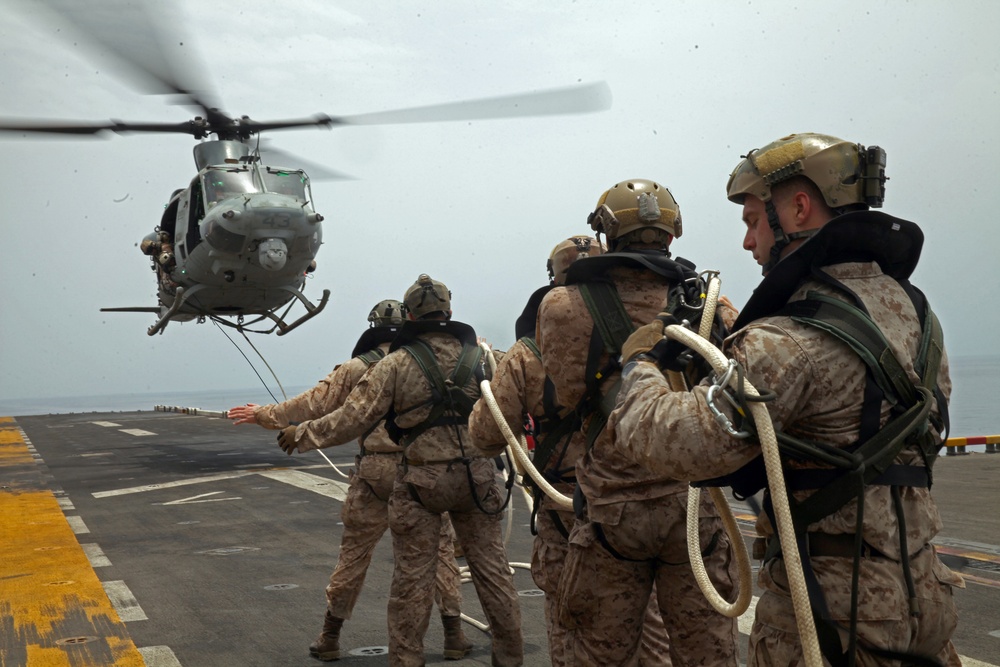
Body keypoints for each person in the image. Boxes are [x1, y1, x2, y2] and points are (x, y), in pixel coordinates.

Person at [610, 133, 962, 666]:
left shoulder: (785, 340)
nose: (749, 243)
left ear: (797, 209)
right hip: (923, 600)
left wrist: (643, 364)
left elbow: (678, 444)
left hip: (828, 618)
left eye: (753, 221)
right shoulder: (918, 316)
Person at [534, 180, 740, 665]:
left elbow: (568, 395)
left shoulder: (562, 306)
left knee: (600, 655)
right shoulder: (711, 303)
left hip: (612, 512)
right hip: (693, 507)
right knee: (708, 654)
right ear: (672, 233)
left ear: (606, 232)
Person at [274, 274, 524, 667]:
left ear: (410, 315)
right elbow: (514, 411)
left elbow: (351, 419)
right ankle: (508, 656)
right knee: (492, 571)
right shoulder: (483, 359)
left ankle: (404, 659)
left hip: (421, 483)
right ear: (450, 311)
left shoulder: (395, 365)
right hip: (477, 480)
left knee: (411, 579)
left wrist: (301, 433)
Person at [228, 299, 472, 662]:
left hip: (374, 473)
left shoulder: (357, 367)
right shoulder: (424, 361)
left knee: (354, 555)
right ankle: (454, 634)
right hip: (421, 471)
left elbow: (312, 404)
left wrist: (265, 416)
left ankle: (329, 636)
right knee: (439, 554)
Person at [469, 235, 674, 666]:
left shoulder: (528, 352)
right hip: (657, 503)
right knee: (652, 631)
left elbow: (486, 433)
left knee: (572, 629)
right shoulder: (665, 326)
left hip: (571, 515)